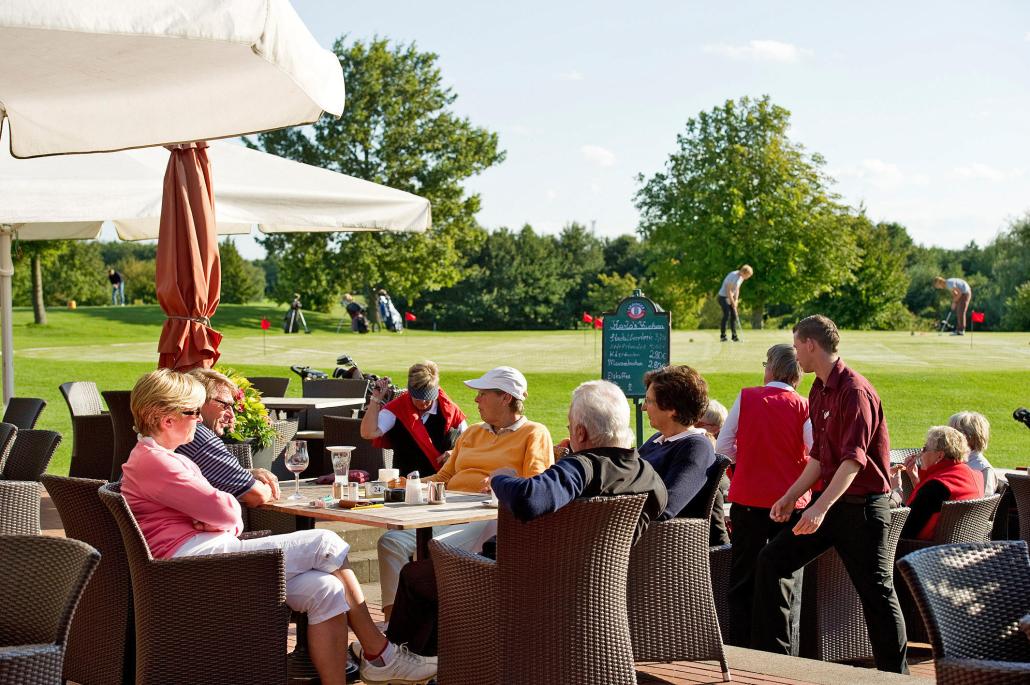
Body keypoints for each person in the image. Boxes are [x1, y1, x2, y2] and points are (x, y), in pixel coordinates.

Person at [119, 369, 436, 685]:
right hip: (197, 572)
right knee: (325, 542)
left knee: (327, 589)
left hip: (203, 561)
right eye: (191, 412)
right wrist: (219, 516)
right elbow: (229, 513)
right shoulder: (157, 462)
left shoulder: (160, 457)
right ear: (163, 418)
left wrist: (213, 517)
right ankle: (380, 654)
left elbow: (219, 513)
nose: (199, 420)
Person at [381, 380, 668, 657]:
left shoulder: (581, 468)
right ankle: (429, 660)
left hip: (524, 585)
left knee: (418, 576)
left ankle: (402, 660)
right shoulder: (647, 476)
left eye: (569, 426)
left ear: (580, 433)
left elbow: (530, 498)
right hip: (597, 591)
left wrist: (501, 478)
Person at [752, 315, 908, 674]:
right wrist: (791, 496)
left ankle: (896, 677)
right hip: (832, 505)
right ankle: (774, 663)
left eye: (796, 346)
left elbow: (853, 462)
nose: (796, 355)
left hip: (863, 510)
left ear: (810, 344)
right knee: (771, 560)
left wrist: (818, 509)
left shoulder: (854, 391)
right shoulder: (818, 388)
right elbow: (821, 457)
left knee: (877, 594)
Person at [375, 366, 553, 620]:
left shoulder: (534, 433)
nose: (476, 399)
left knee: (430, 548)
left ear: (505, 397)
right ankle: (395, 627)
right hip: (446, 510)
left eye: (482, 394)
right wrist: (404, 484)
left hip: (487, 519)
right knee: (390, 542)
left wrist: (504, 481)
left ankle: (426, 627)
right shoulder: (472, 432)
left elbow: (536, 486)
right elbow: (444, 478)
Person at [715, 343, 813, 646]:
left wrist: (744, 466)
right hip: (791, 503)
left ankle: (743, 648)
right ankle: (782, 651)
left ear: (769, 368)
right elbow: (814, 451)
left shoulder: (747, 397)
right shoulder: (803, 406)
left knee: (743, 579)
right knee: (785, 581)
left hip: (749, 501)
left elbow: (723, 447)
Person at [638, 365, 727, 544]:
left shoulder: (696, 447)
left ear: (672, 408)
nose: (643, 408)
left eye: (649, 401)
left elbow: (666, 507)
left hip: (670, 553)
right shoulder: (657, 439)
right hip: (646, 544)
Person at [176, 369, 279, 507]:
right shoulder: (198, 436)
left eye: (232, 407)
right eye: (224, 405)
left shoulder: (173, 431)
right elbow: (256, 495)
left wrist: (248, 473)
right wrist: (267, 487)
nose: (232, 416)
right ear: (199, 400)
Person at [361, 361, 468, 477]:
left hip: (441, 482)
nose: (423, 402)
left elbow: (471, 442)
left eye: (427, 398)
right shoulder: (396, 408)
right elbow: (367, 433)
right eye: (417, 397)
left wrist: (454, 452)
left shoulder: (449, 410)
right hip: (404, 483)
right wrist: (375, 399)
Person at [895, 426, 983, 541]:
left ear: (940, 456)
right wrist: (915, 480)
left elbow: (903, 530)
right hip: (964, 551)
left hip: (923, 552)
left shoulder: (936, 486)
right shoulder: (975, 476)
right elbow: (931, 507)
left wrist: (895, 492)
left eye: (925, 448)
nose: (921, 454)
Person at [947, 411, 996, 495]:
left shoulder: (983, 469)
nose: (947, 437)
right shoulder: (949, 460)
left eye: (952, 433)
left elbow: (982, 505)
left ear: (969, 438)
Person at [717, 264, 753, 342]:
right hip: (723, 297)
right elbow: (728, 290)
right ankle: (723, 336)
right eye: (748, 275)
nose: (747, 278)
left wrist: (736, 301)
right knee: (727, 314)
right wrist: (732, 302)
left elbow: (737, 289)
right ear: (744, 272)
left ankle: (734, 336)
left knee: (734, 316)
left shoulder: (741, 278)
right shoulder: (732, 275)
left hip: (731, 297)